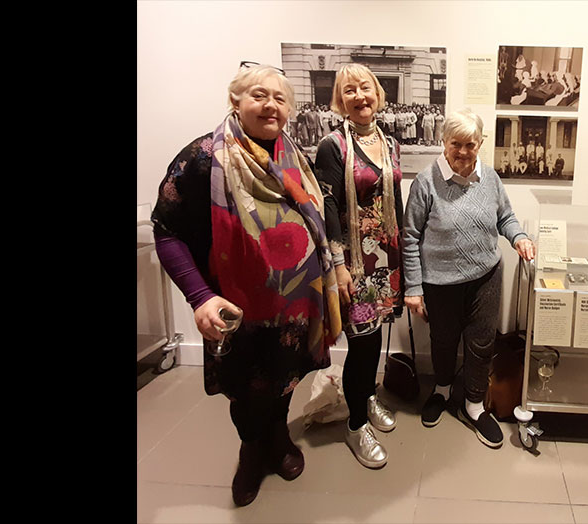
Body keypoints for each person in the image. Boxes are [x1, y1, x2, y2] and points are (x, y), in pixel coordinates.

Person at [151, 62, 341, 507]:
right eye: (258, 94)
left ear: (290, 110)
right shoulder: (202, 158)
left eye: (279, 98)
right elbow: (167, 228)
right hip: (238, 309)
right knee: (247, 387)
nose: (270, 105)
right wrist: (198, 297)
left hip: (297, 306)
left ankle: (279, 436)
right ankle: (252, 450)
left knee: (284, 379)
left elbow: (316, 217)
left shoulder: (294, 156)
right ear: (234, 101)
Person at [403, 109, 535, 448]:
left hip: (485, 276)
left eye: (471, 144)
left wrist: (518, 236)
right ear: (443, 142)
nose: (463, 152)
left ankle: (475, 404)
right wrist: (414, 287)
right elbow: (410, 236)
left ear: (481, 143)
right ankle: (443, 389)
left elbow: (506, 216)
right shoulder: (425, 182)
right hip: (440, 281)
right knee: (444, 339)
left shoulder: (490, 178)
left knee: (481, 343)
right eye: (455, 144)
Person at [314, 64, 404, 469]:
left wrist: (405, 257)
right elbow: (328, 205)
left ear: (377, 93)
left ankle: (367, 397)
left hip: (385, 259)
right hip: (354, 262)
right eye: (349, 90)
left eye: (364, 87)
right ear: (340, 99)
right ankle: (354, 425)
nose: (359, 96)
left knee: (373, 342)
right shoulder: (332, 145)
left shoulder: (390, 142)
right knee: (361, 344)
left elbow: (395, 201)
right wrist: (338, 265)